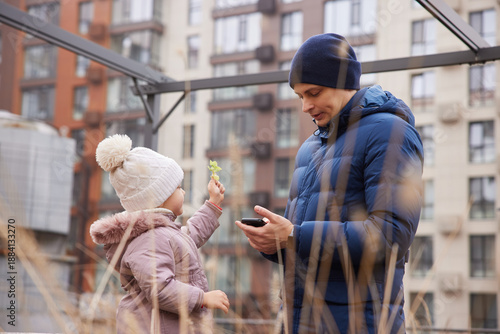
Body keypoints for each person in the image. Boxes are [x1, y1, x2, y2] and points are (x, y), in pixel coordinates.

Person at [235, 33, 424, 333]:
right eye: (300, 97)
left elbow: (390, 236)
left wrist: (294, 236)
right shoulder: (309, 148)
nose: (305, 107)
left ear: (345, 83)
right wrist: (274, 243)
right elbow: (304, 243)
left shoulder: (390, 133)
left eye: (314, 92)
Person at [90, 134, 229, 334]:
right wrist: (202, 298)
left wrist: (212, 205)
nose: (183, 192)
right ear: (159, 197)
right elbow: (160, 289)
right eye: (178, 187)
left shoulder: (163, 233)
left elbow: (190, 235)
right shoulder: (149, 240)